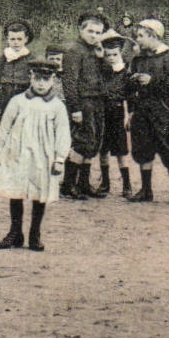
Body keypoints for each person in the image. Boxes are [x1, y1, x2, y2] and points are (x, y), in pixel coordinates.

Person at [0, 58, 70, 251]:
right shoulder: (18, 101)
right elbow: (3, 129)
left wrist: (60, 158)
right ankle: (15, 232)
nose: (41, 83)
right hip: (17, 153)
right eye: (37, 79)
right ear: (31, 78)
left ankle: (35, 234)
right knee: (16, 191)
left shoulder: (57, 106)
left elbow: (62, 133)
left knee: (39, 193)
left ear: (53, 79)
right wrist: (1, 153)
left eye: (45, 79)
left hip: (43, 156)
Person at [126, 19, 169, 205]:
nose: (138, 40)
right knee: (142, 148)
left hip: (162, 112)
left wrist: (151, 81)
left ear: (153, 36)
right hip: (141, 112)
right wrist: (133, 82)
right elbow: (128, 88)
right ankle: (146, 190)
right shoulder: (137, 60)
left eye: (141, 36)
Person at [58, 13, 109, 199]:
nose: (94, 35)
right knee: (81, 142)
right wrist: (75, 108)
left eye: (98, 32)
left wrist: (102, 57)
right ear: (81, 30)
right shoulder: (73, 50)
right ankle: (68, 184)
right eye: (90, 31)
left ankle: (84, 183)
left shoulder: (96, 50)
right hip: (83, 102)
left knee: (93, 143)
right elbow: (70, 81)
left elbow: (107, 75)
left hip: (97, 100)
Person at [94, 31, 133, 198]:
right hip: (103, 114)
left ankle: (126, 183)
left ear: (120, 54)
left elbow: (130, 97)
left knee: (120, 151)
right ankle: (105, 183)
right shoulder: (102, 72)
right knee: (103, 150)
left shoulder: (125, 74)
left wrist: (129, 116)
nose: (111, 58)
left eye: (114, 54)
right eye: (108, 55)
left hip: (117, 113)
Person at [0, 20, 38, 113]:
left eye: (19, 39)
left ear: (26, 39)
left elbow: (34, 78)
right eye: (12, 39)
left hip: (23, 93)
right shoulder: (4, 56)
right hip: (6, 94)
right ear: (7, 39)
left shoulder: (29, 57)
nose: (16, 42)